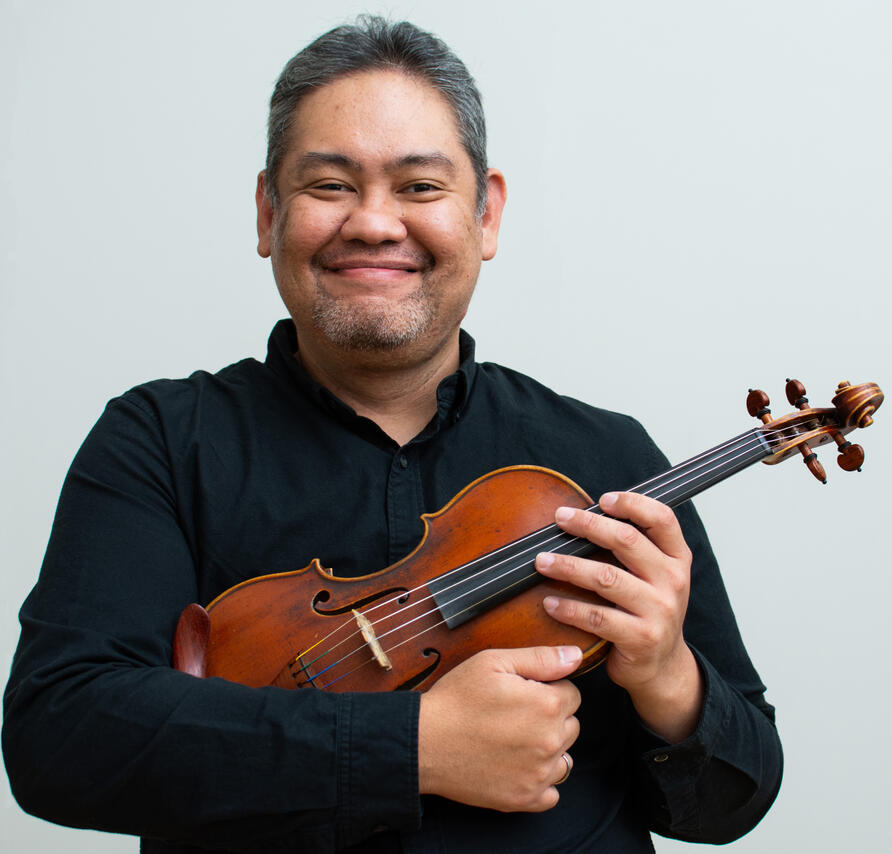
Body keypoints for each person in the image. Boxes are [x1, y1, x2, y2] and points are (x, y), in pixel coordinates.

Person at [2, 16, 782, 854]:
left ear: (486, 214)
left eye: (419, 186)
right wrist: (411, 748)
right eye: (330, 184)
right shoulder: (159, 441)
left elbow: (731, 807)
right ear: (268, 213)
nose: (374, 223)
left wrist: (669, 678)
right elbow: (61, 738)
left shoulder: (609, 459)